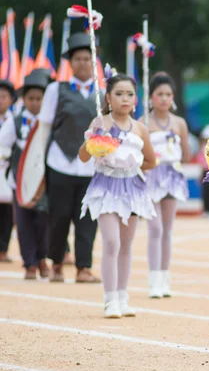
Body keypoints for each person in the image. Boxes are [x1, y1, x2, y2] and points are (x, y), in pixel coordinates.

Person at [79, 69, 156, 318]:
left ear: (136, 99)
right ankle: (109, 299)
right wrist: (93, 139)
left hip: (132, 188)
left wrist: (130, 165)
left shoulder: (140, 128)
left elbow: (150, 161)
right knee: (111, 242)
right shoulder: (100, 123)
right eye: (119, 93)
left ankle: (123, 297)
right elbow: (83, 157)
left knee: (126, 244)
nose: (125, 98)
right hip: (105, 187)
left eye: (130, 94)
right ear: (108, 98)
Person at [38, 32, 103, 283]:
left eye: (87, 58)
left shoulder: (103, 92)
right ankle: (56, 263)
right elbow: (44, 129)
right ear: (70, 62)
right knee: (59, 216)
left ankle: (83, 267)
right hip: (60, 162)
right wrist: (39, 165)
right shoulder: (56, 89)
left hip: (91, 167)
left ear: (93, 61)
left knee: (87, 219)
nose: (83, 63)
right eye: (78, 58)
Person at [0, 70, 51, 278]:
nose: (35, 103)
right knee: (24, 224)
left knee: (44, 222)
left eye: (39, 99)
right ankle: (29, 262)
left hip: (44, 183)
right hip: (19, 182)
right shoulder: (16, 121)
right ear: (23, 99)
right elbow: (3, 144)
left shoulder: (50, 122)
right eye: (31, 99)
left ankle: (42, 258)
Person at [144, 72, 190, 298]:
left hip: (171, 175)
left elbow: (187, 154)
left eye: (168, 94)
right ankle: (153, 279)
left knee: (167, 230)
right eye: (159, 94)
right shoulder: (143, 121)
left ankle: (164, 277)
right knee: (155, 228)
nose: (164, 98)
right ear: (151, 97)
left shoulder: (179, 123)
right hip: (150, 176)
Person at [0, 79, 17, 263]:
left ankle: (2, 250)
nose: (0, 100)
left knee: (6, 213)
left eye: (4, 96)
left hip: (7, 172)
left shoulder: (16, 121)